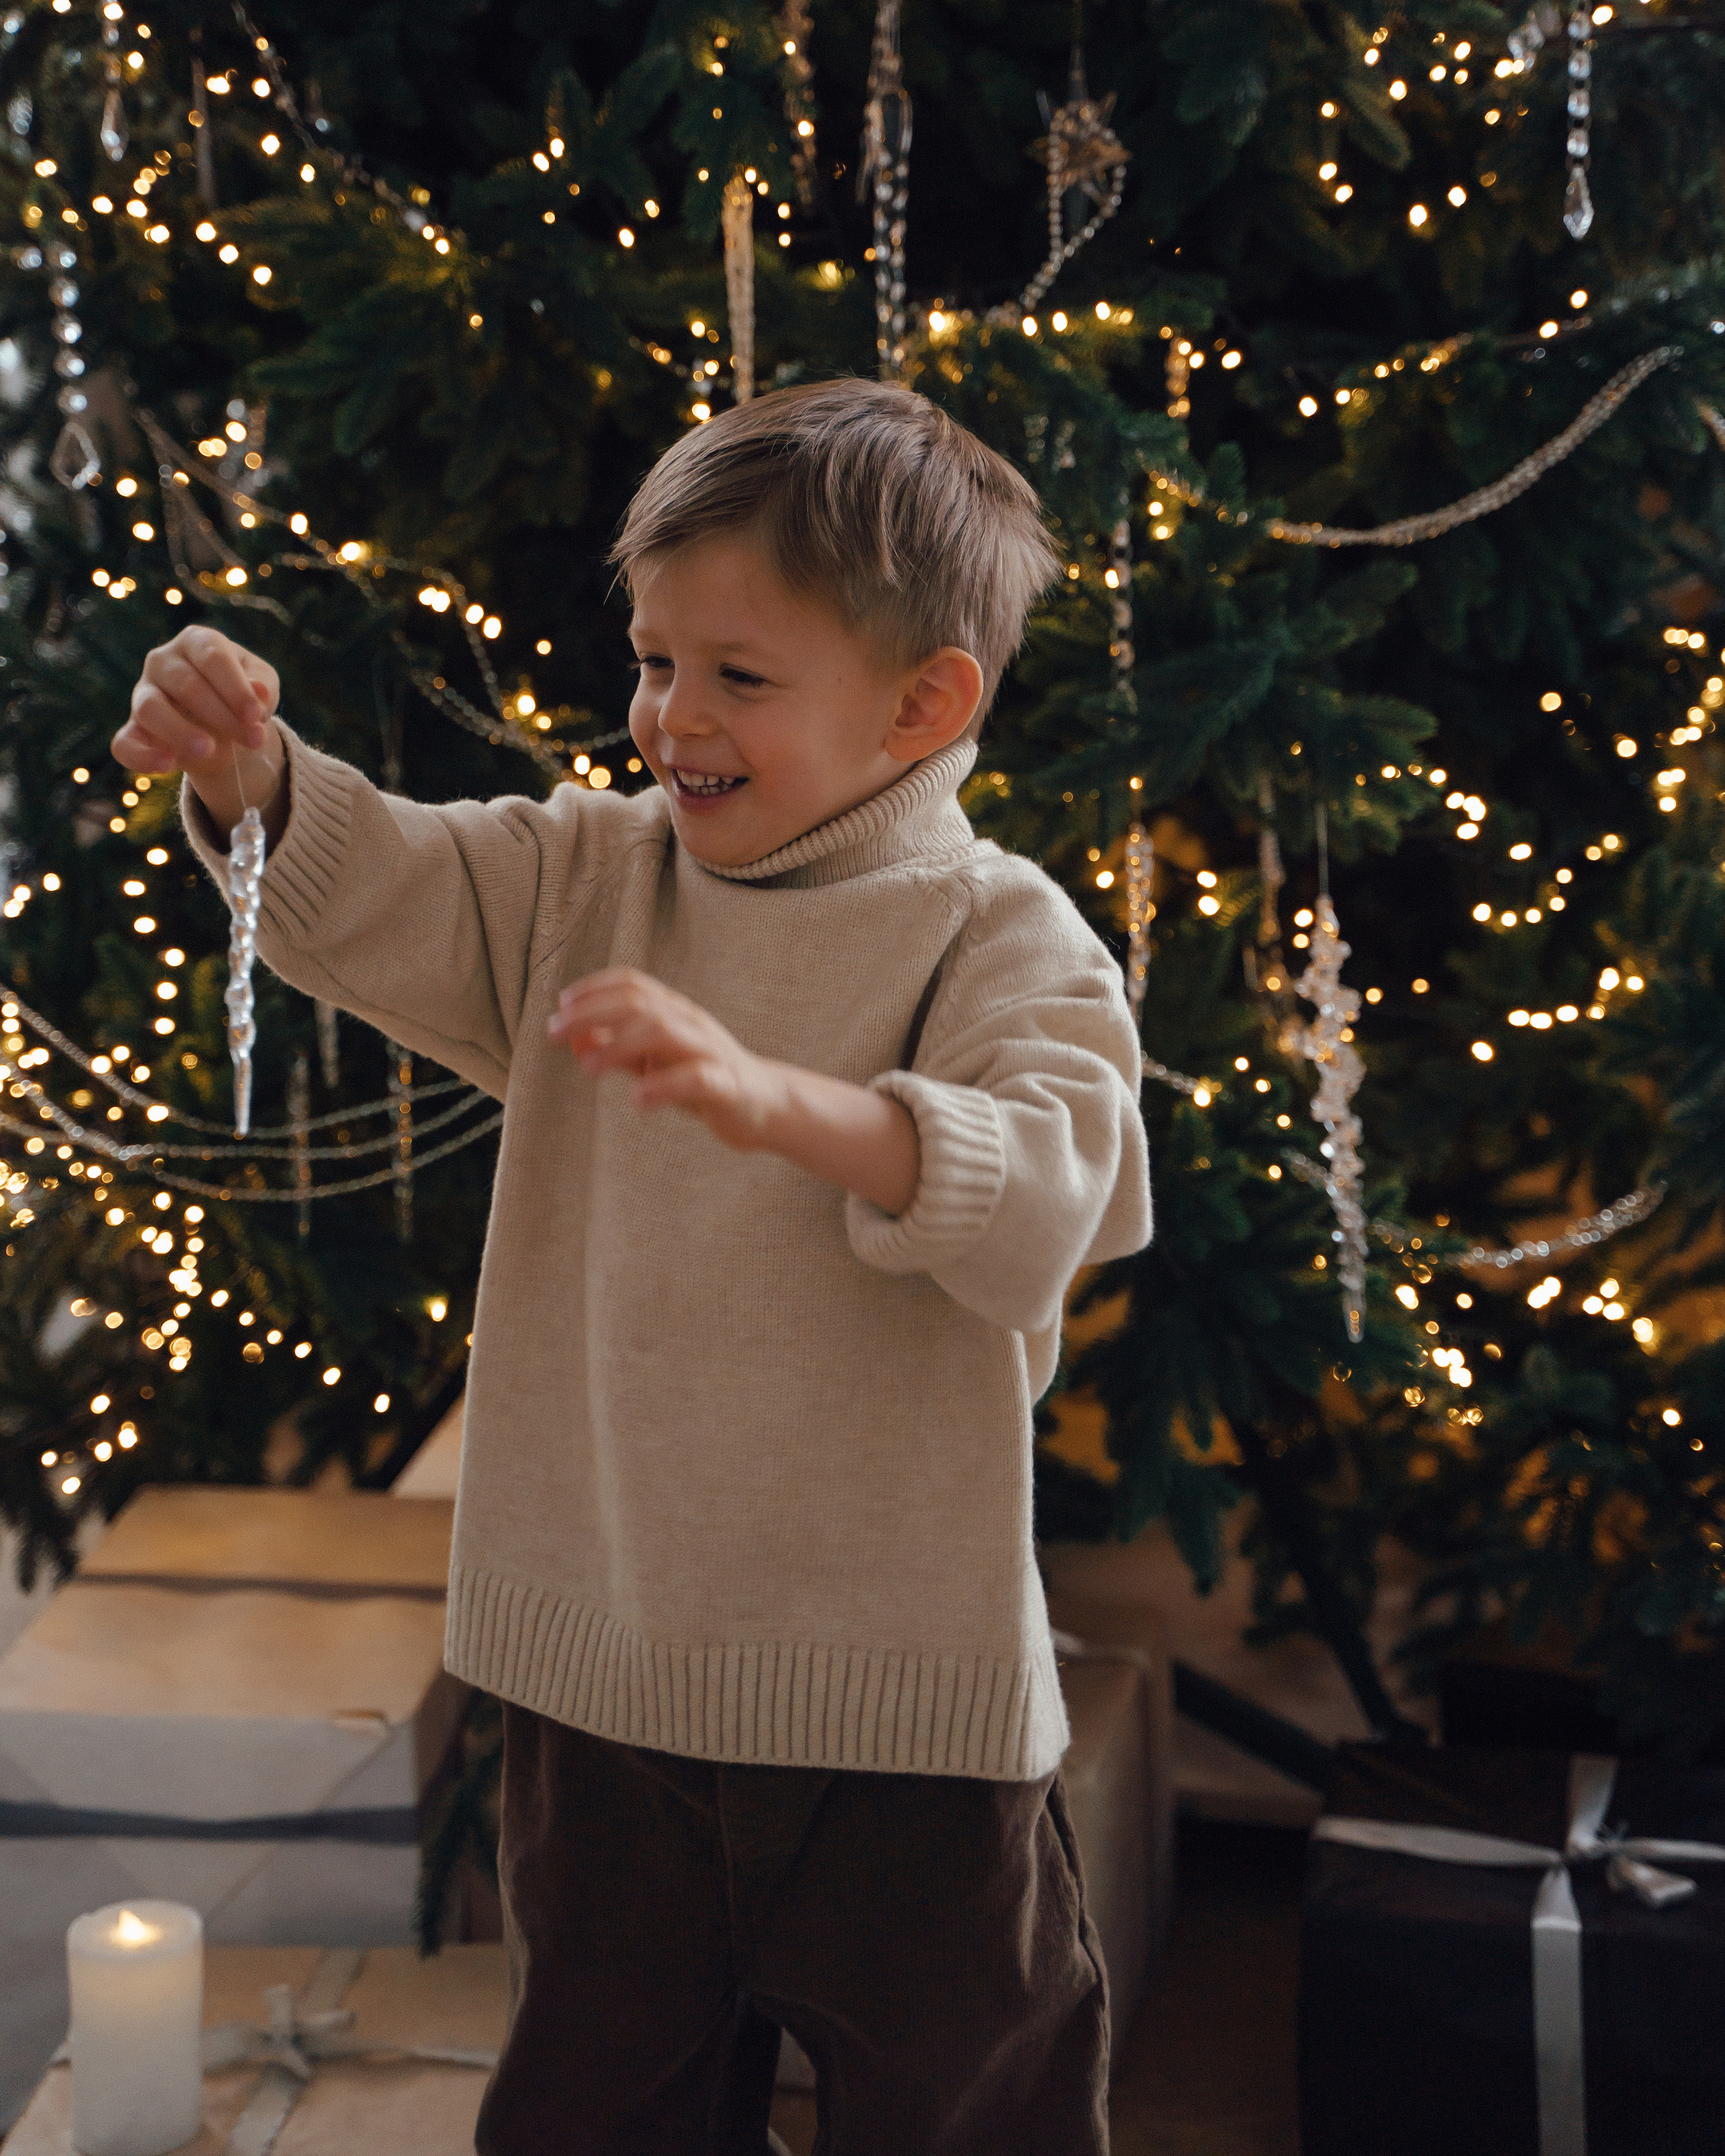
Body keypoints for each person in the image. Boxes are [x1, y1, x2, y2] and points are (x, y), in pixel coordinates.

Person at [114, 377, 1152, 2155]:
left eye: (738, 676)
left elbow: (1060, 1191)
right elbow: (383, 884)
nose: (672, 715)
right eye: (656, 660)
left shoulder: (1002, 933)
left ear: (927, 703)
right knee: (598, 2109)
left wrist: (792, 1106)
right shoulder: (588, 874)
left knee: (978, 2111)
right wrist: (251, 775)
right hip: (605, 1702)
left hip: (906, 1727)